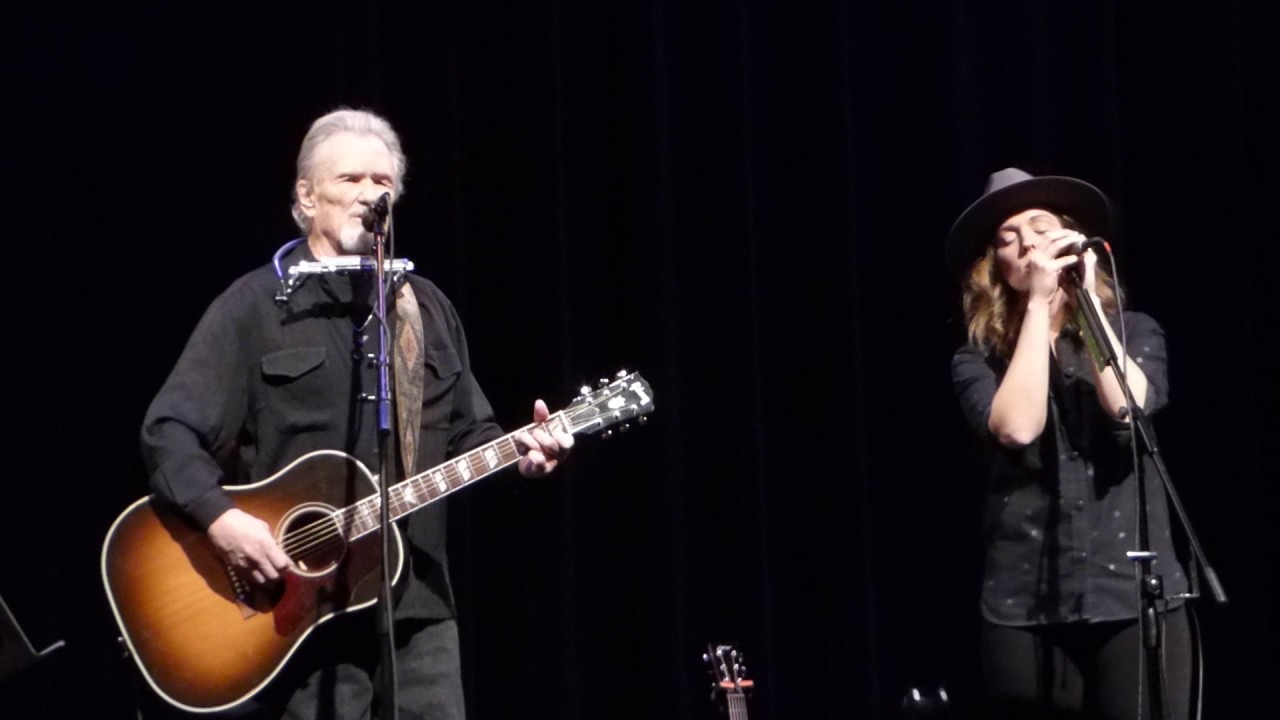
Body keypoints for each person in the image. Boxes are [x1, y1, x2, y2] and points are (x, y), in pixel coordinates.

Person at [140, 108, 573, 719]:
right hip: (294, 618)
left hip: (418, 610)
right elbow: (169, 432)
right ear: (306, 197)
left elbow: (469, 433)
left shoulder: (424, 308)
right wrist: (222, 521)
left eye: (382, 182)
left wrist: (521, 457)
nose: (371, 194)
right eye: (351, 180)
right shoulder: (253, 307)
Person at [947, 168, 1192, 719]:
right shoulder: (977, 359)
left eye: (1041, 227)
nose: (1028, 243)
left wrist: (1082, 299)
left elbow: (1127, 405)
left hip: (1133, 595)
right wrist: (1038, 308)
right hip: (1025, 605)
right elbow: (1017, 428)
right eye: (1008, 238)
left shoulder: (1134, 331)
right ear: (995, 266)